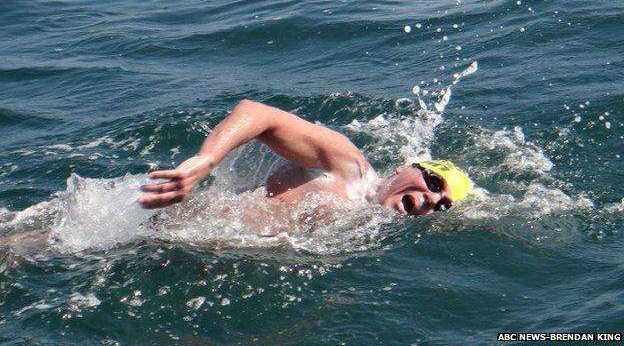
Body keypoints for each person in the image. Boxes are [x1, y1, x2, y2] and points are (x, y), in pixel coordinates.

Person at [139, 99, 472, 216]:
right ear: (404, 168)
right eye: (433, 182)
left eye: (442, 205)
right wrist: (205, 162)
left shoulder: (368, 227)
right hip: (164, 226)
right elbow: (258, 114)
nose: (430, 199)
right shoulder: (348, 167)